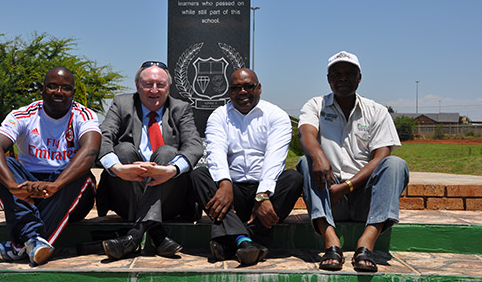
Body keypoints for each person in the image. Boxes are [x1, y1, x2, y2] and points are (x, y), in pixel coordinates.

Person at [296, 51, 409, 272]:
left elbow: (381, 155)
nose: (343, 78)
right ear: (328, 79)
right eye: (336, 73)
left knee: (396, 164)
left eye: (349, 73)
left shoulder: (376, 111)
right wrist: (319, 157)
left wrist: (347, 187)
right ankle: (331, 242)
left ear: (359, 78)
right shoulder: (315, 105)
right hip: (329, 195)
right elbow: (306, 134)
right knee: (305, 161)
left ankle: (366, 244)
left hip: (364, 198)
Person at [0, 66, 101, 266]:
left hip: (66, 189)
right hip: (27, 190)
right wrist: (14, 187)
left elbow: (90, 152)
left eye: (65, 88)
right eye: (52, 86)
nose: (58, 92)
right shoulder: (23, 115)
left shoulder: (84, 115)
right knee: (4, 165)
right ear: (42, 89)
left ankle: (21, 243)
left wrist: (56, 184)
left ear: (73, 92)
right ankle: (34, 241)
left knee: (81, 173)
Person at [190, 68, 303, 266]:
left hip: (265, 194)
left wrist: (262, 195)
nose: (242, 92)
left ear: (259, 88)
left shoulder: (276, 115)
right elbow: (215, 153)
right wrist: (224, 184)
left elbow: (275, 158)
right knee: (199, 175)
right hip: (232, 194)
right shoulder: (218, 116)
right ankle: (247, 242)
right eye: (236, 88)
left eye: (248, 86)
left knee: (293, 179)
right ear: (229, 92)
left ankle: (231, 241)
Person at [96, 61, 203, 260]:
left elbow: (194, 145)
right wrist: (117, 168)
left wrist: (171, 170)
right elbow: (103, 135)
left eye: (160, 85)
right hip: (127, 197)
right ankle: (156, 232)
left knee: (168, 153)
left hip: (169, 199)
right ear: (137, 86)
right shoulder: (122, 104)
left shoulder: (181, 108)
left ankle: (135, 236)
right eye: (148, 84)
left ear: (168, 87)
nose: (154, 90)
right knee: (124, 149)